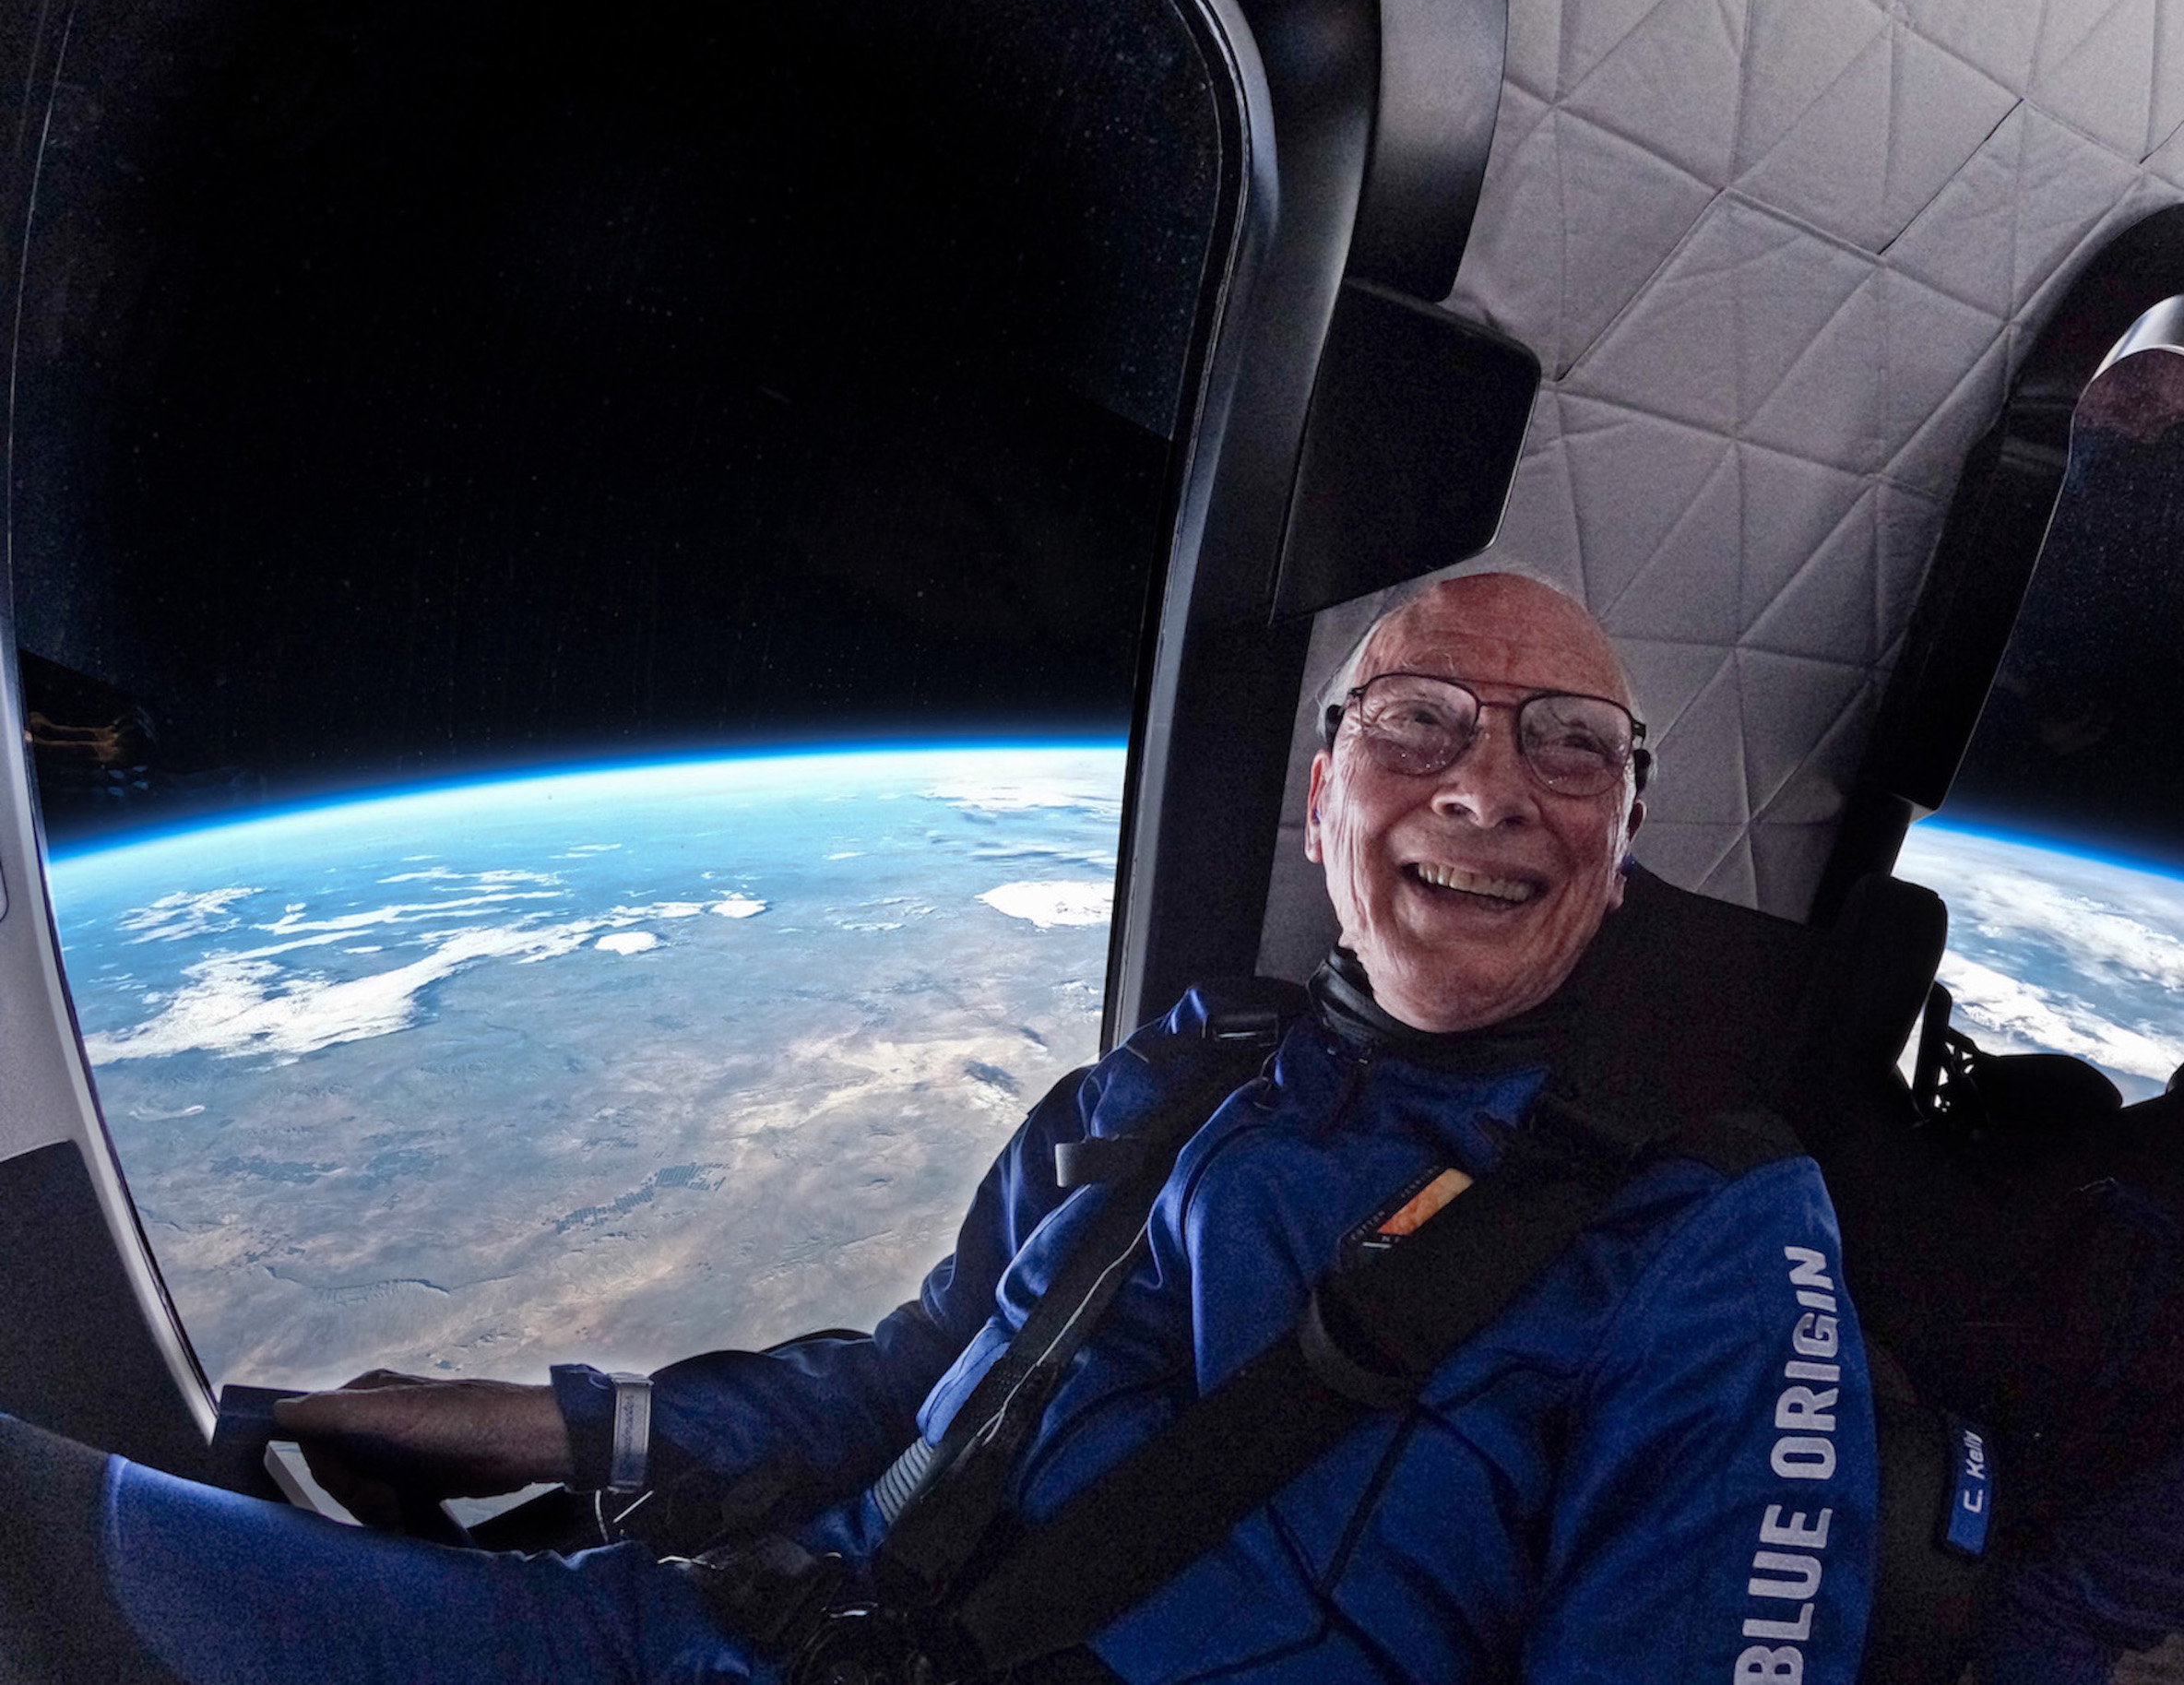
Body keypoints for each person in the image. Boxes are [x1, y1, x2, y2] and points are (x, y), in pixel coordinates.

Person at [0, 573, 1878, 1682]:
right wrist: (567, 1424)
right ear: (1319, 798)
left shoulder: (1708, 1224)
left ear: (1623, 840)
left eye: (1568, 742)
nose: (1487, 781)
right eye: (1421, 720)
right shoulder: (1179, 1070)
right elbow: (912, 1381)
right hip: (704, 1634)